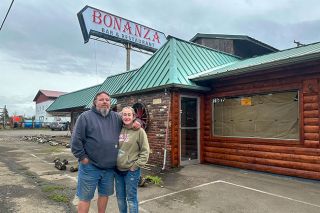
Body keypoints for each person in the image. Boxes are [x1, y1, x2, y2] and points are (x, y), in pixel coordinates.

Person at [71, 91, 140, 213]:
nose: (105, 102)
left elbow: (129, 119)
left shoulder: (116, 117)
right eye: (101, 100)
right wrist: (83, 158)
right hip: (90, 167)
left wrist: (138, 122)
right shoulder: (85, 117)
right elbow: (76, 141)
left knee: (104, 195)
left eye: (107, 100)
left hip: (109, 168)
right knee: (85, 197)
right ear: (95, 102)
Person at [115, 106, 150, 213]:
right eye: (124, 115)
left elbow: (145, 151)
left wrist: (135, 166)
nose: (126, 117)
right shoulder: (118, 129)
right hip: (117, 171)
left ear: (133, 116)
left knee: (131, 199)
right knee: (120, 199)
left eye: (129, 114)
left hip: (131, 171)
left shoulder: (139, 131)